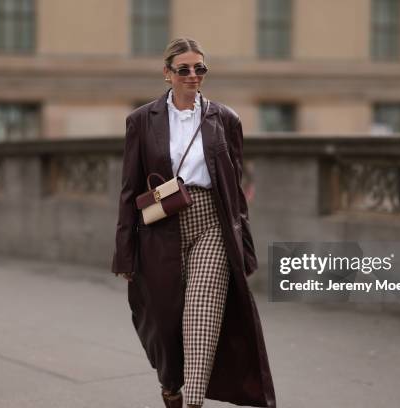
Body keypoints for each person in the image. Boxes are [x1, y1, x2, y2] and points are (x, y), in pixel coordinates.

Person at [112, 38, 276, 408]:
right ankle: (171, 387)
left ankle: (194, 401)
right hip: (159, 228)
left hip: (211, 225)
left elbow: (234, 191)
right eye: (183, 69)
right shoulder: (141, 120)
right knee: (164, 322)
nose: (192, 75)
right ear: (167, 73)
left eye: (199, 68)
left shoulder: (225, 119)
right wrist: (125, 253)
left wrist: (244, 246)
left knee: (202, 315)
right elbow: (128, 191)